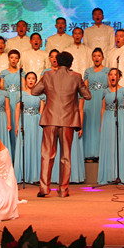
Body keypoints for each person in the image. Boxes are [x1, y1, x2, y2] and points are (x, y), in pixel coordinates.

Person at [31, 51, 91, 197]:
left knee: (47, 155)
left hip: (50, 119)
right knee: (66, 156)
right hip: (68, 121)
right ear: (71, 63)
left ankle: (44, 188)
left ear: (57, 62)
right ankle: (63, 190)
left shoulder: (47, 75)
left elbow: (34, 92)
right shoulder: (76, 76)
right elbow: (87, 96)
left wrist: (48, 90)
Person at [98, 68, 124, 184]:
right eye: (111, 74)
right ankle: (109, 175)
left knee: (120, 144)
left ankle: (121, 175)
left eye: (115, 75)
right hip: (108, 118)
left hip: (120, 117)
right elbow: (103, 108)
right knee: (109, 145)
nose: (113, 76)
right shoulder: (105, 91)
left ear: (119, 77)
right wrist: (102, 124)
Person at [14, 72, 45, 183]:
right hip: (25, 121)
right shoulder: (21, 94)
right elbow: (17, 110)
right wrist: (17, 125)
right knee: (25, 145)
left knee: (36, 146)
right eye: (29, 78)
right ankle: (23, 175)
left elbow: (42, 111)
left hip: (36, 122)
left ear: (36, 81)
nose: (31, 80)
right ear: (25, 80)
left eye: (33, 79)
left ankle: (35, 176)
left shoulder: (41, 94)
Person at [83, 48, 109, 159]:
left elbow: (110, 86)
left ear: (102, 58)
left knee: (100, 124)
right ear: (92, 58)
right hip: (90, 100)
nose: (96, 58)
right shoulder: (88, 71)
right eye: (94, 56)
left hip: (102, 99)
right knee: (90, 124)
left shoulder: (107, 70)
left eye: (99, 56)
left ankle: (100, 153)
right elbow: (85, 87)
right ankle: (89, 153)